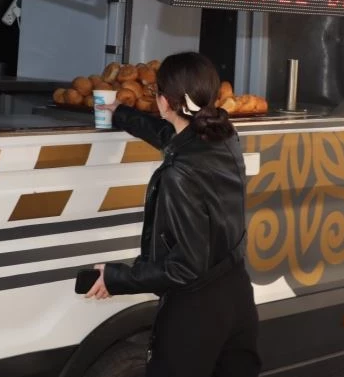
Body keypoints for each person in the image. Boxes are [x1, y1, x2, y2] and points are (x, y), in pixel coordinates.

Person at [85, 52, 261, 377]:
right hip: (236, 295)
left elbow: (184, 267)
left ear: (164, 102)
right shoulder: (224, 136)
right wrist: (120, 113)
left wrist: (116, 278)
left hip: (196, 312)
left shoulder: (181, 173)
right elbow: (172, 137)